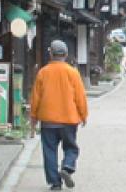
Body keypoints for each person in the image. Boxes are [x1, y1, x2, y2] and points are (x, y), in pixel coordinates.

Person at [30, 40, 87, 190]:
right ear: (66, 55)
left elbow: (36, 97)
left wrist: (33, 117)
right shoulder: (72, 72)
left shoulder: (43, 72)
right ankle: (67, 167)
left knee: (49, 150)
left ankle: (55, 183)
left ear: (51, 54)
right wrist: (83, 114)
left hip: (48, 119)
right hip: (69, 118)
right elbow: (80, 96)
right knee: (71, 147)